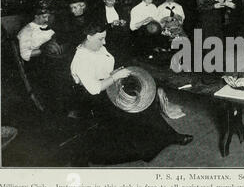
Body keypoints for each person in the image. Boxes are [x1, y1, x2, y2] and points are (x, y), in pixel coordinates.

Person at [70, 22, 193, 165]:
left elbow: (104, 70)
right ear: (89, 37)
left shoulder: (96, 47)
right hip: (94, 98)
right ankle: (156, 144)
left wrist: (115, 73)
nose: (104, 42)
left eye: (105, 38)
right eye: (100, 38)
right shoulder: (81, 60)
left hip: (108, 85)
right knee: (134, 108)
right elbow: (94, 89)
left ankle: (170, 135)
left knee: (145, 99)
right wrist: (115, 77)